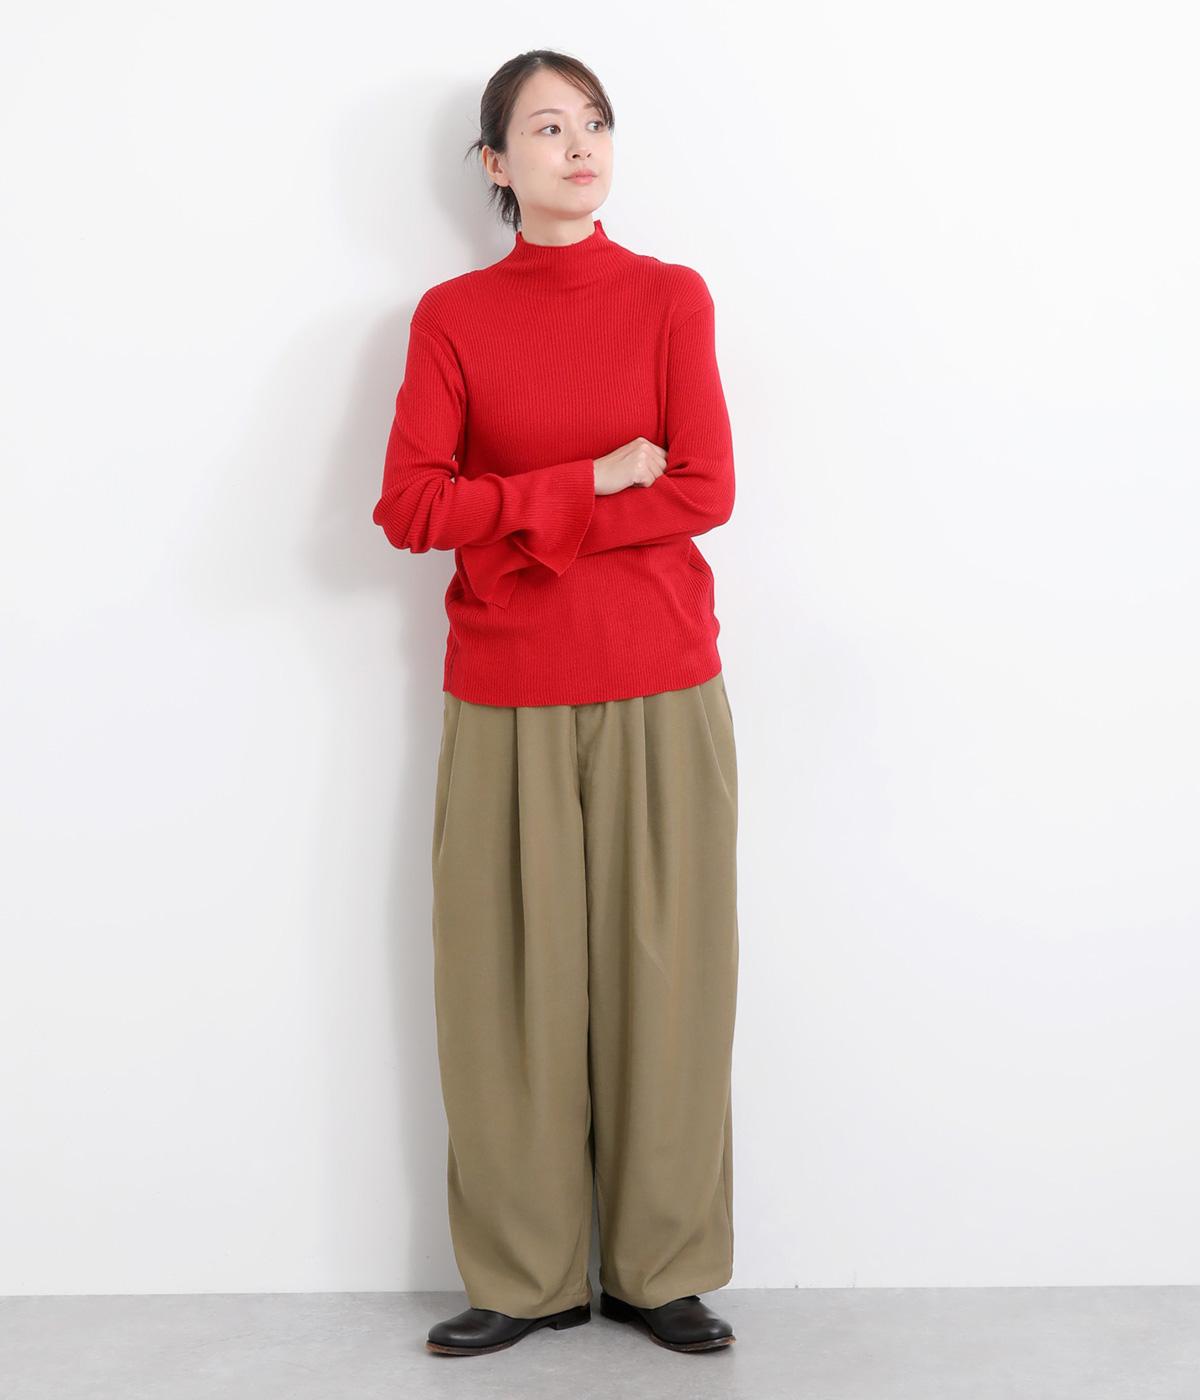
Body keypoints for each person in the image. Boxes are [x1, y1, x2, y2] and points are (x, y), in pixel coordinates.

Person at [372, 49, 740, 1358]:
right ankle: (523, 1276)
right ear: (495, 163)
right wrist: (589, 481)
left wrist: (521, 524)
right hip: (507, 690)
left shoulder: (669, 298)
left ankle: (659, 1269)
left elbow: (705, 489)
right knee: (505, 988)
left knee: (669, 981)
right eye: (545, 127)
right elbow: (410, 506)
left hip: (662, 680)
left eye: (594, 122)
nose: (579, 146)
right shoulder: (453, 319)